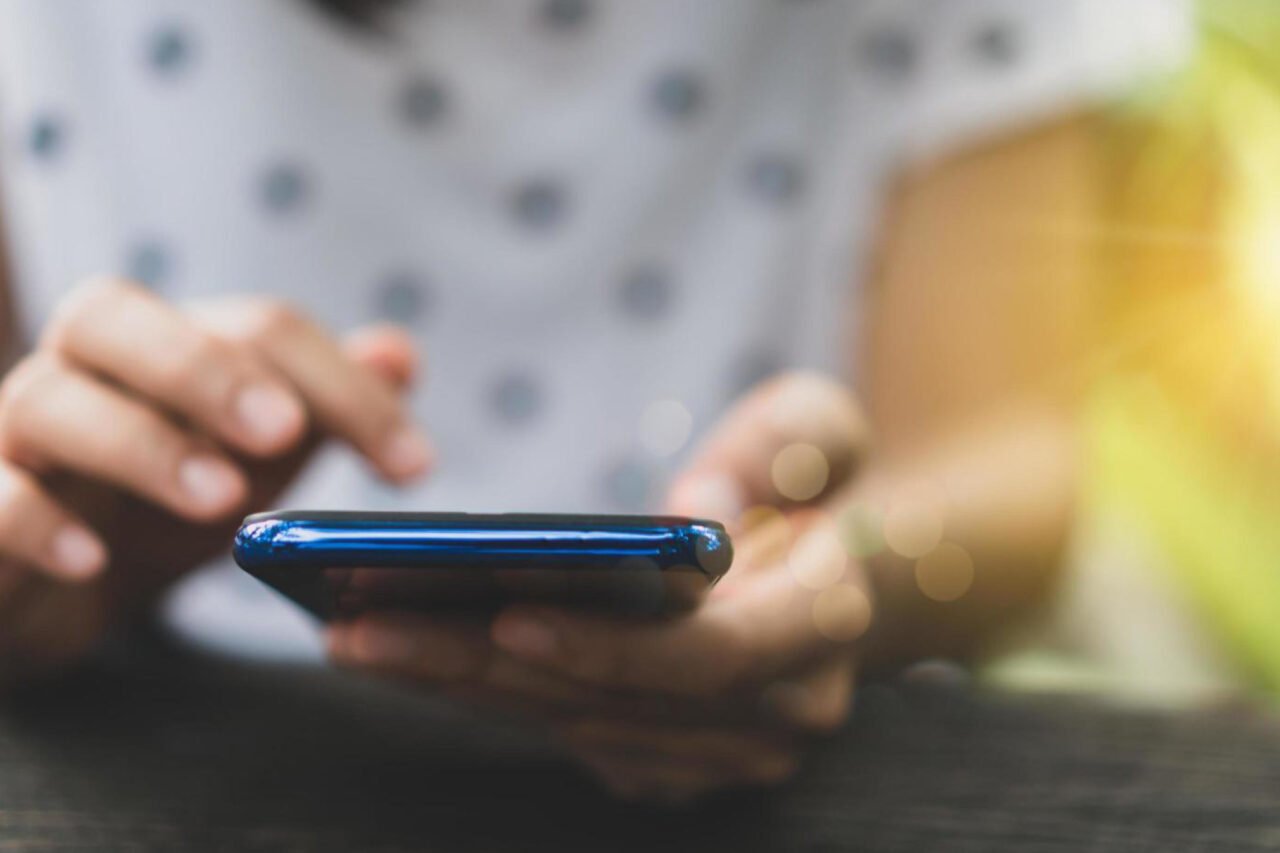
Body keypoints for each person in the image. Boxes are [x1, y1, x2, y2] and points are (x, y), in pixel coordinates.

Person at [0, 0, 1188, 800]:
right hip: (192, 762)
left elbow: (1008, 451)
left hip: (822, 780)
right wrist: (45, 548)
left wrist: (852, 571)